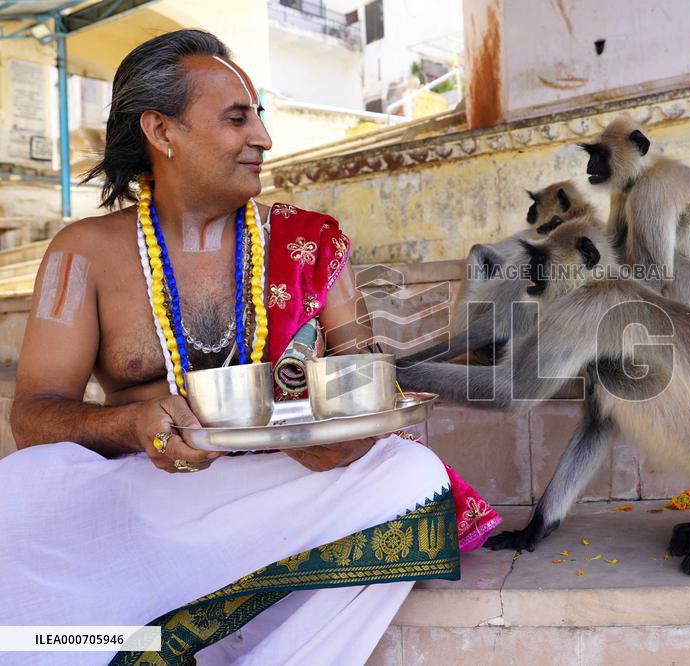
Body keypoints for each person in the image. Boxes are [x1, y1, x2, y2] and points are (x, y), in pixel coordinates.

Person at [0, 29, 461, 665]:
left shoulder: (309, 242)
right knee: (15, 492)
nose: (264, 139)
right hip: (150, 497)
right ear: (162, 132)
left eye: (261, 118)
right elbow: (32, 416)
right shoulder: (83, 253)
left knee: (413, 477)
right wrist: (134, 424)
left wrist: (346, 429)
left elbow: (364, 377)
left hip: (282, 489)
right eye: (237, 119)